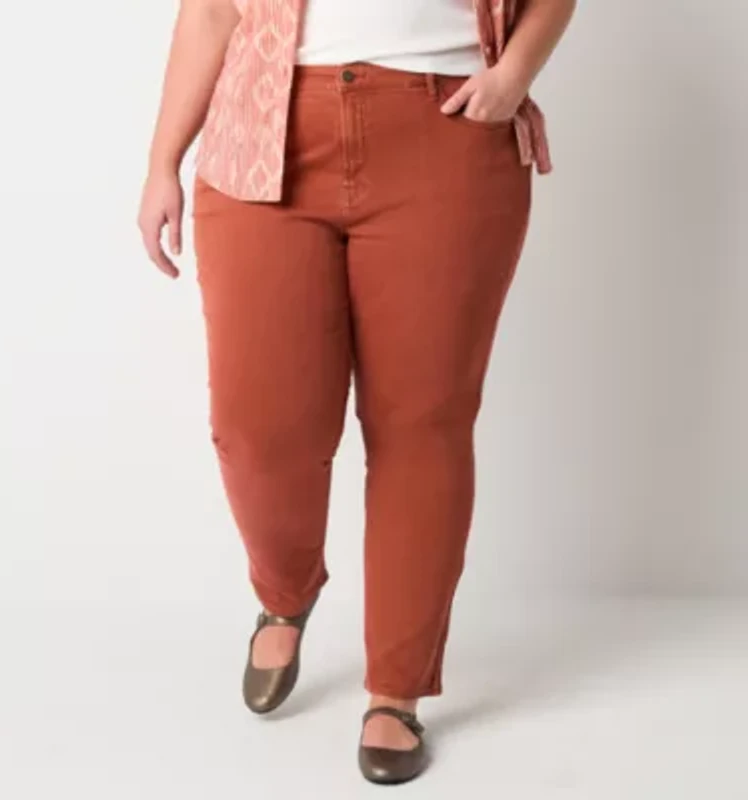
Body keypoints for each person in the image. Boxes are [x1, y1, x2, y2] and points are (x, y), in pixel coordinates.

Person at [138, 0, 576, 785]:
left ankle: (396, 691)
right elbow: (209, 11)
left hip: (446, 131)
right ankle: (285, 591)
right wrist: (161, 162)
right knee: (257, 427)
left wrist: (514, 74)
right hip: (265, 129)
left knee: (422, 424)